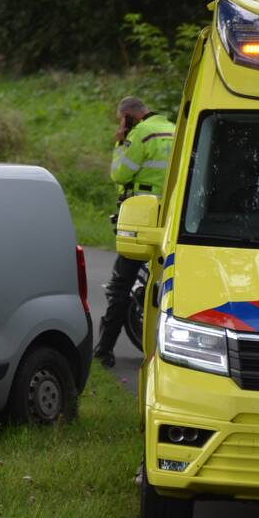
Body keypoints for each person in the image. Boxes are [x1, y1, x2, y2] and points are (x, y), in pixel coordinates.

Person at [94, 96, 175, 367]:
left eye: (121, 119)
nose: (120, 124)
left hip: (141, 218)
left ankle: (104, 351)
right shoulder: (174, 129)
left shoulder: (139, 134)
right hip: (171, 216)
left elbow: (120, 174)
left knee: (120, 286)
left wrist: (119, 142)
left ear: (129, 117)